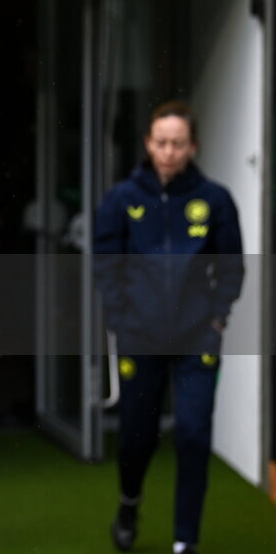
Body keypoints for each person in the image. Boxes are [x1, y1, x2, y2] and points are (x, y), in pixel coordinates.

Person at [93, 101, 244, 554]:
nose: (169, 151)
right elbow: (106, 263)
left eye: (178, 143)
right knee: (138, 435)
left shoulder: (215, 199)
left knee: (195, 433)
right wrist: (120, 319)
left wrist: (217, 316)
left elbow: (232, 266)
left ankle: (186, 541)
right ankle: (129, 501)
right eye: (161, 142)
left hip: (199, 337)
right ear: (148, 143)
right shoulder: (122, 198)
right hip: (140, 336)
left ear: (192, 146)